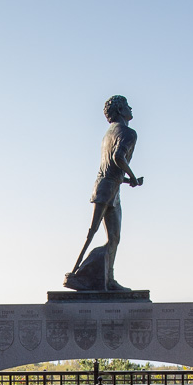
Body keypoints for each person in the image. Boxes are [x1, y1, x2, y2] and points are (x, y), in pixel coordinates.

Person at [66, 95, 143, 292]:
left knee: (113, 237)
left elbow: (111, 170)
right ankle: (79, 274)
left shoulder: (108, 133)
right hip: (107, 188)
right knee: (93, 234)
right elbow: (117, 158)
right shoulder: (127, 132)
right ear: (119, 110)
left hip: (110, 187)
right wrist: (132, 176)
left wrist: (128, 181)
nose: (130, 108)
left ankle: (108, 279)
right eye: (126, 105)